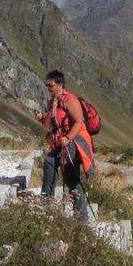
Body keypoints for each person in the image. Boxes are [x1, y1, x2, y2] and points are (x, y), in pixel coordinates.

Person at [34, 70, 96, 220]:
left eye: (50, 85)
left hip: (77, 141)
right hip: (65, 142)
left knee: (66, 171)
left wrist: (68, 137)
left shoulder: (70, 100)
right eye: (47, 85)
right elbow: (52, 124)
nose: (48, 88)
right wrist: (41, 119)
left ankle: (76, 213)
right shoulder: (54, 102)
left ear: (60, 85)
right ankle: (48, 201)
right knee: (58, 167)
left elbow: (79, 122)